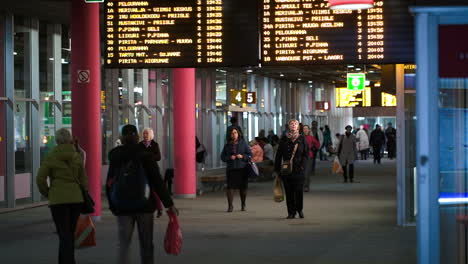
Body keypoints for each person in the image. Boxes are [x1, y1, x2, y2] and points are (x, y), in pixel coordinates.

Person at [106, 124, 178, 264]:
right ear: (137, 136)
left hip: (122, 206)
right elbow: (157, 181)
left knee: (124, 245)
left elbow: (110, 182)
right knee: (146, 244)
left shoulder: (115, 155)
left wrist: (112, 205)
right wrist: (168, 204)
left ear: (122, 137)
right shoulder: (145, 155)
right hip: (145, 206)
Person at [37, 128, 88, 264]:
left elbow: (40, 179)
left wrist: (48, 193)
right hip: (75, 199)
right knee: (69, 234)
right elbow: (83, 179)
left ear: (57, 139)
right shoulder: (77, 156)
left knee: (63, 234)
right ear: (70, 139)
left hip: (58, 200)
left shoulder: (51, 156)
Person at [275, 119, 309, 219]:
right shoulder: (284, 139)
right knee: (289, 192)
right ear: (288, 126)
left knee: (298, 191)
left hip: (299, 169)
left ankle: (299, 209)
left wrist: (303, 166)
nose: (293, 125)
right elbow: (278, 155)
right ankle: (291, 212)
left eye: (295, 124)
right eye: (291, 124)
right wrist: (277, 169)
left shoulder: (302, 139)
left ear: (298, 127)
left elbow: (306, 154)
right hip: (286, 170)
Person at [221, 127, 252, 212]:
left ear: (238, 134)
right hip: (231, 169)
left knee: (243, 188)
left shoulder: (243, 143)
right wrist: (229, 157)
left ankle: (243, 204)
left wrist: (242, 156)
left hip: (242, 168)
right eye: (232, 133)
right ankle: (230, 206)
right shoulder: (227, 145)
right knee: (230, 188)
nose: (233, 134)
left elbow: (250, 154)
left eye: (235, 133)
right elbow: (222, 157)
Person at [139, 128, 163, 217]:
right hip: (142, 171)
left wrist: (148, 156)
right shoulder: (140, 145)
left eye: (147, 134)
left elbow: (158, 157)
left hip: (152, 170)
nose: (145, 135)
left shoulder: (154, 144)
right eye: (144, 133)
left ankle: (159, 208)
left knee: (154, 190)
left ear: (151, 135)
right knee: (143, 189)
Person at [302, 125, 320, 192]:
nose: (306, 130)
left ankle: (306, 186)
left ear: (309, 130)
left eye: (307, 129)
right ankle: (302, 185)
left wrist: (314, 148)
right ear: (302, 130)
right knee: (301, 172)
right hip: (300, 157)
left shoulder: (311, 138)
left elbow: (318, 144)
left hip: (309, 156)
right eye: (304, 129)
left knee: (307, 172)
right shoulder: (300, 138)